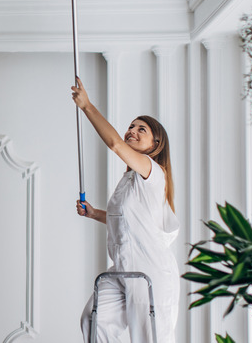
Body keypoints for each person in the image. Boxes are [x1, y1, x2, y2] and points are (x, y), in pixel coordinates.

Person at [71, 76, 179, 343]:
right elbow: (126, 221)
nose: (132, 130)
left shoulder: (152, 172)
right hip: (120, 268)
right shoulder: (128, 180)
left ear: (155, 145)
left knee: (149, 338)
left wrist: (87, 106)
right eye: (131, 126)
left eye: (142, 129)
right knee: (94, 321)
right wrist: (94, 212)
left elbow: (115, 144)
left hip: (149, 271)